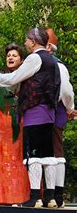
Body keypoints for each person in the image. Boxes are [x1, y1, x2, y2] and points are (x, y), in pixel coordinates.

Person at [0, 27, 60, 207]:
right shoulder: (52, 61)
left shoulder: (34, 58)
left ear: (33, 40)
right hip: (48, 112)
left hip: (34, 112)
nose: (25, 42)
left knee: (33, 157)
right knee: (48, 156)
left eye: (27, 39)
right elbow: (59, 87)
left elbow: (14, 78)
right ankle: (50, 197)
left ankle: (33, 198)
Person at [0, 44, 30, 205]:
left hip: (18, 123)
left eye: (14, 55)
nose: (10, 57)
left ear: (22, 60)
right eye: (9, 55)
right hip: (0, 122)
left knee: (16, 159)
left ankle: (17, 197)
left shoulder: (26, 78)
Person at [44, 29, 75, 208]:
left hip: (54, 109)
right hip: (47, 110)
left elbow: (65, 92)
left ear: (48, 47)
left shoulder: (57, 65)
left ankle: (56, 194)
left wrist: (69, 108)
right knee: (47, 153)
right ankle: (52, 194)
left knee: (55, 152)